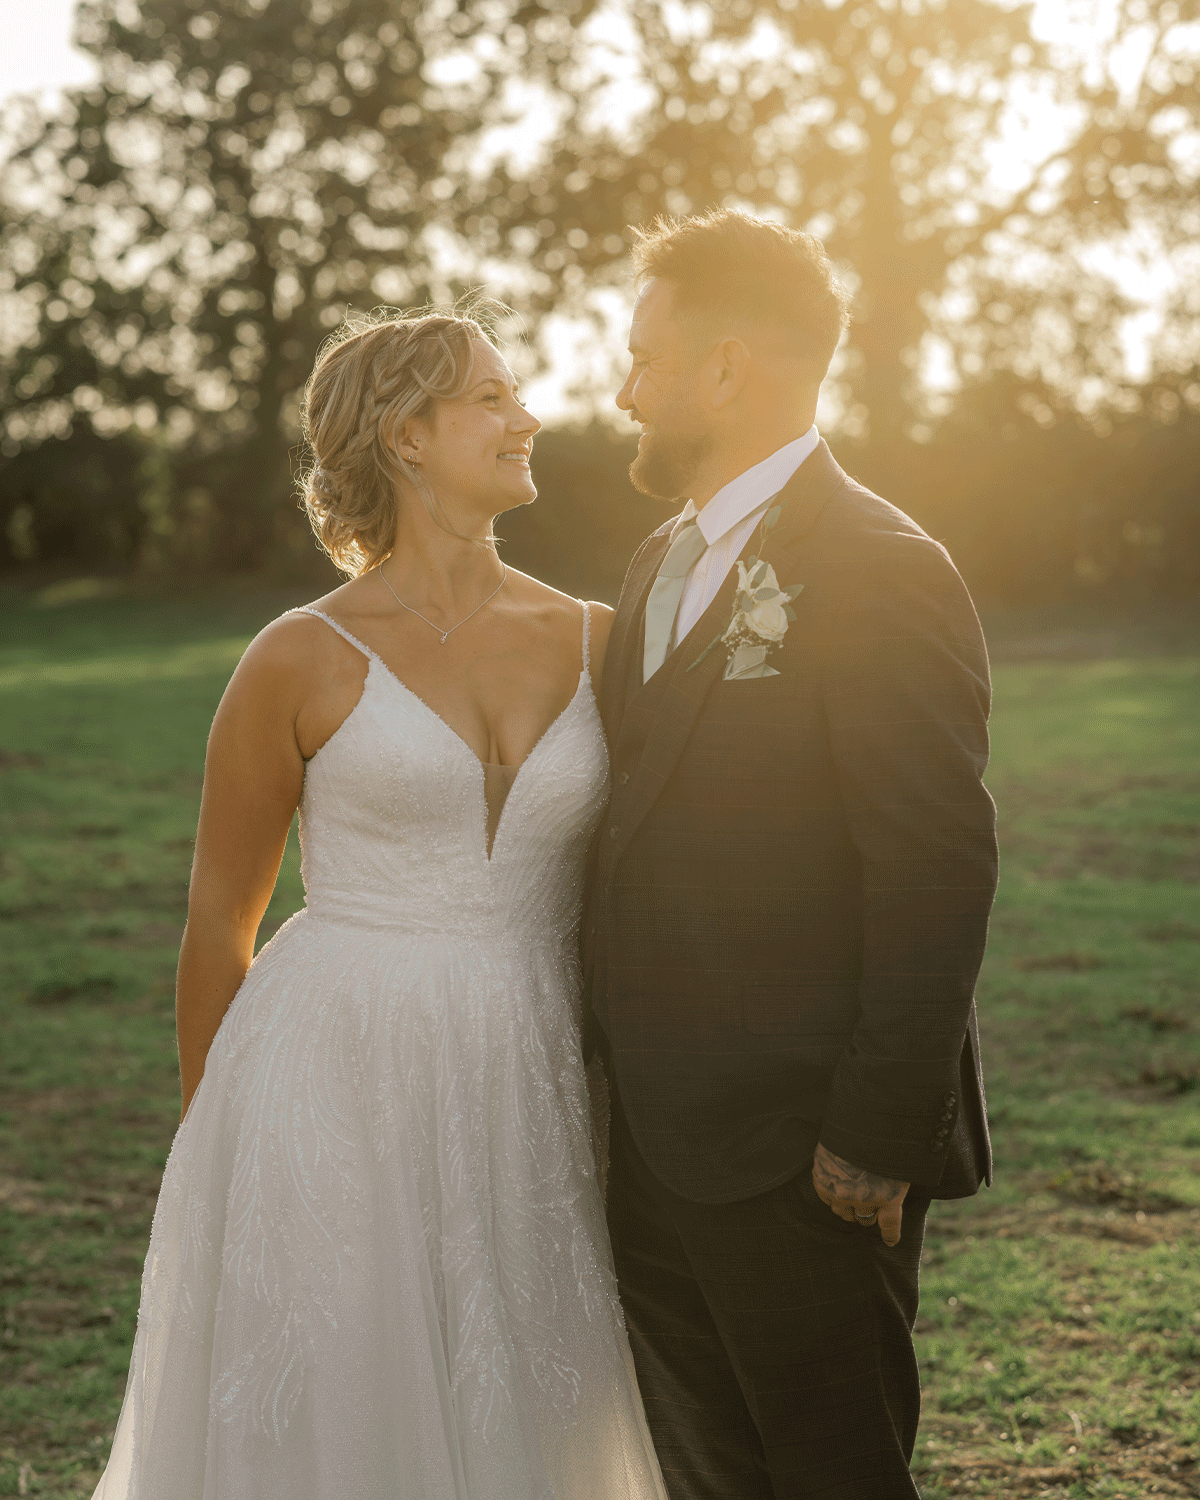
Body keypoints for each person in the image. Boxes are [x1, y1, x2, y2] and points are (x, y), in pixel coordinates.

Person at [93, 307, 667, 1500]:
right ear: (407, 436)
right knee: (351, 1400)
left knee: (533, 1394)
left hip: (532, 1068)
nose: (531, 418)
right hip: (329, 1078)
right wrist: (225, 1154)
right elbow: (218, 919)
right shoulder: (295, 659)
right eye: (494, 400)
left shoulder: (604, 641)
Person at [583, 211, 998, 1499]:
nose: (624, 387)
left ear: (723, 369)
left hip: (803, 1157)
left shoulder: (882, 569)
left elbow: (933, 868)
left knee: (829, 1477)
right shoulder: (660, 557)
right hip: (649, 1144)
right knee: (709, 1474)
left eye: (644, 356)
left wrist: (873, 1139)